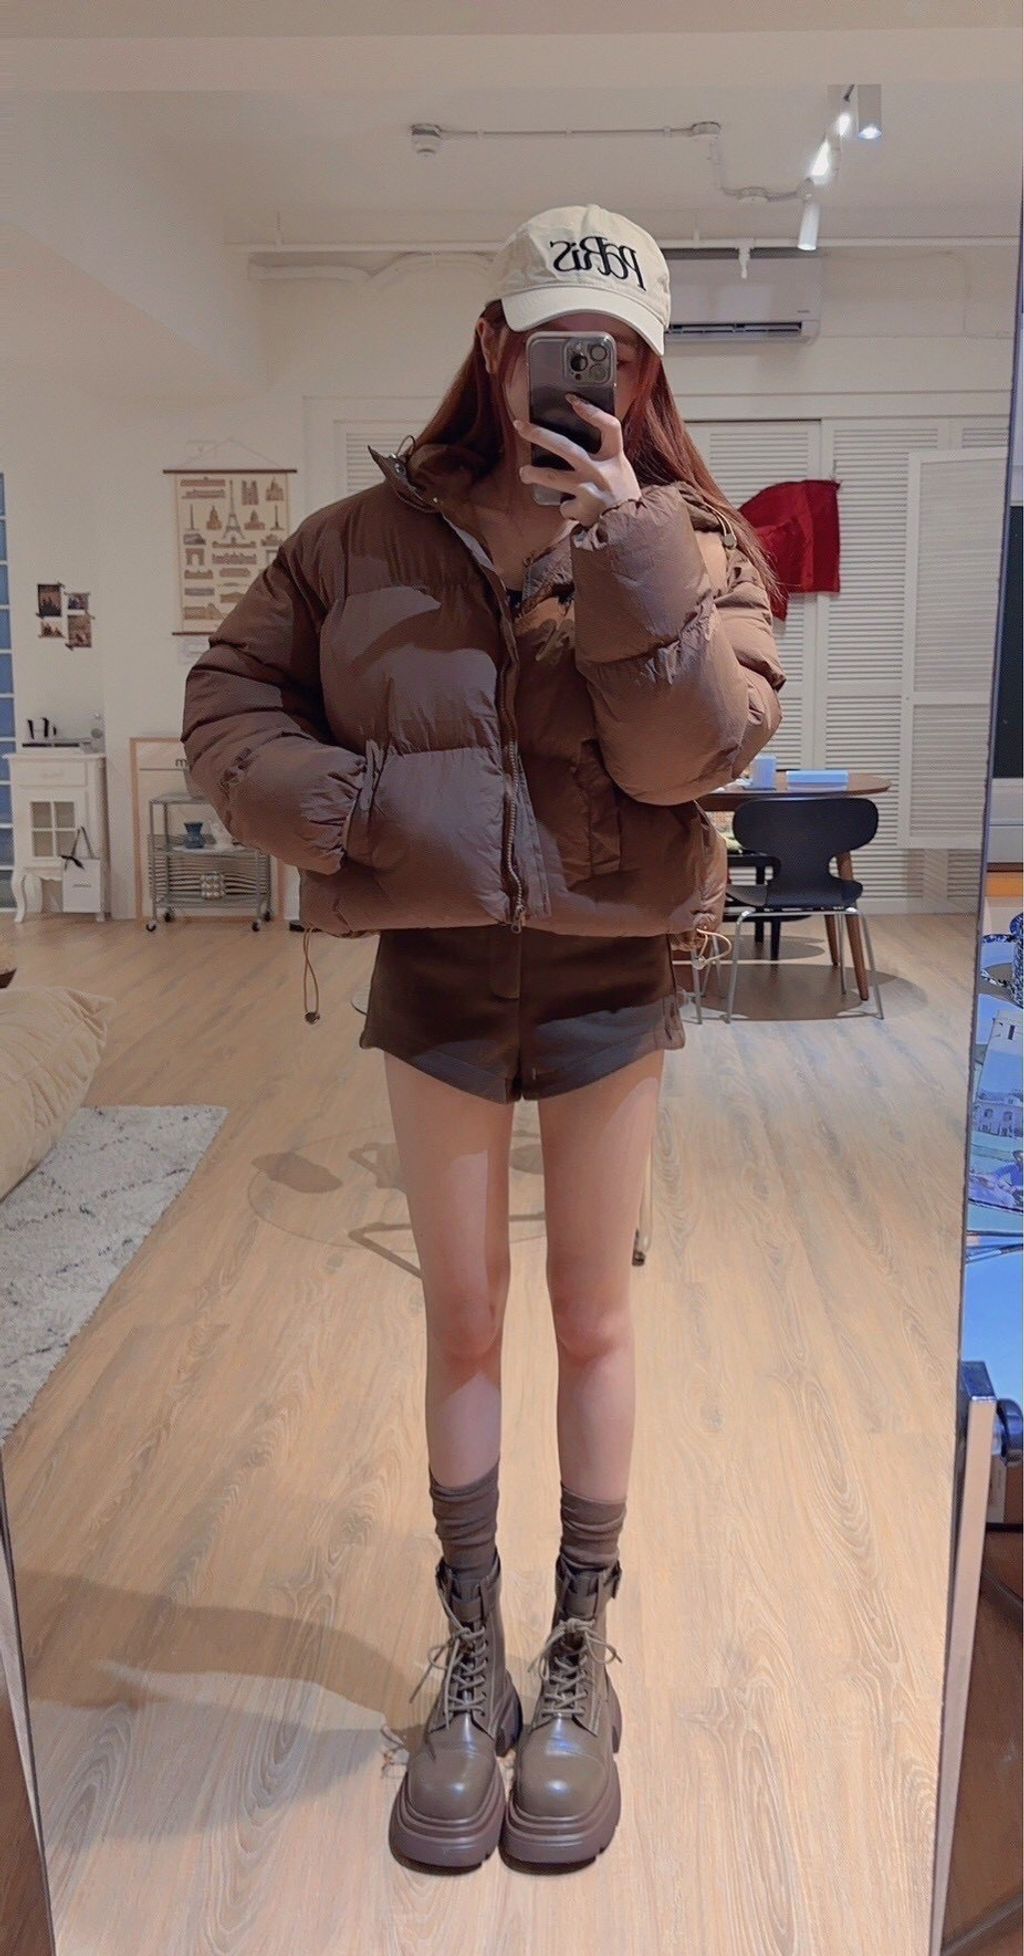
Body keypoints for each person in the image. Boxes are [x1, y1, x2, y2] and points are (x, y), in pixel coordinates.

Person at [181, 203, 785, 1874]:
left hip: (610, 975)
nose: (585, 374)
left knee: (593, 1315)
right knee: (461, 1319)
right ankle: (470, 1653)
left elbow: (691, 757)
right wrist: (361, 814)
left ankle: (580, 1648)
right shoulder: (355, 542)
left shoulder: (698, 541)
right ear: (496, 344)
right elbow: (227, 701)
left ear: (645, 375)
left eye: (620, 353)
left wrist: (632, 549)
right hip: (440, 975)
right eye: (556, 341)